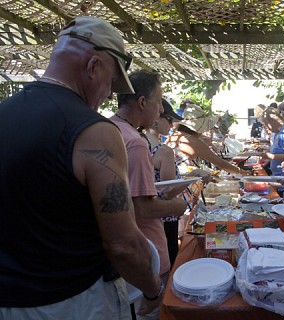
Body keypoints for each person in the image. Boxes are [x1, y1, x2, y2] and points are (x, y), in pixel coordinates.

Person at [0, 16, 162, 319]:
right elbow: (123, 245)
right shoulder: (94, 132)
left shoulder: (4, 113)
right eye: (112, 81)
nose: (110, 94)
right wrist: (153, 290)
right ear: (93, 66)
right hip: (74, 302)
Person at [112, 71, 187, 318]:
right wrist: (176, 207)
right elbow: (142, 208)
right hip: (144, 253)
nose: (160, 111)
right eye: (159, 101)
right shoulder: (135, 142)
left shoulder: (108, 129)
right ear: (143, 102)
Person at [145, 98, 211, 267]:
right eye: (168, 119)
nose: (172, 123)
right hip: (166, 216)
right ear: (156, 119)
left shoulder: (138, 144)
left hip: (147, 215)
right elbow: (169, 191)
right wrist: (193, 176)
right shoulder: (164, 151)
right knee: (170, 260)